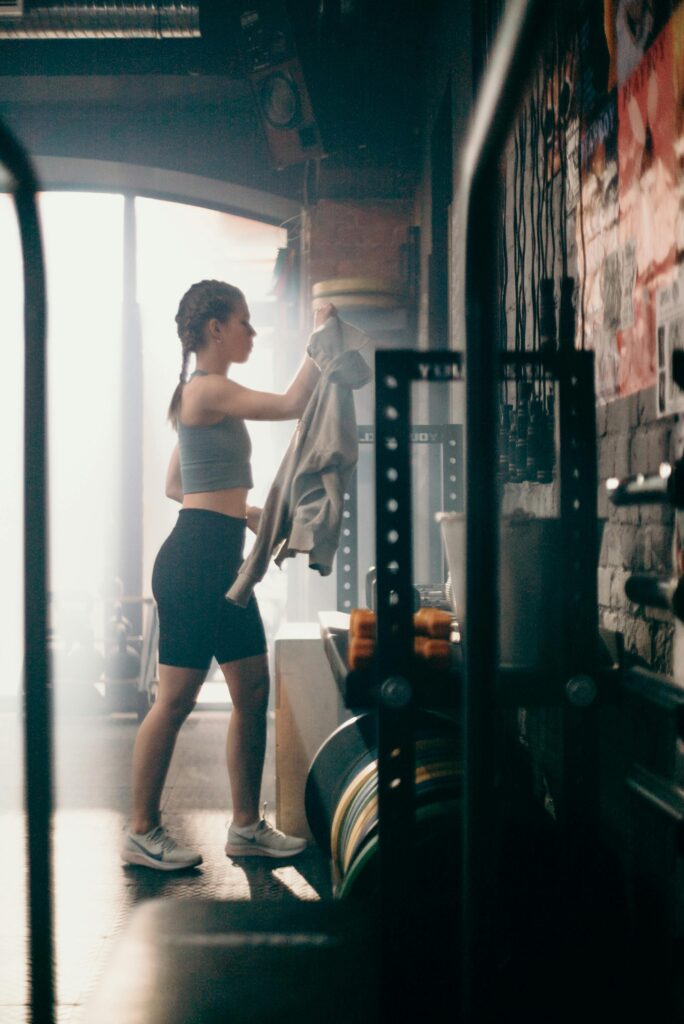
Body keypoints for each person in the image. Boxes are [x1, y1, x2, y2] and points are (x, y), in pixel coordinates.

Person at [121, 279, 335, 870]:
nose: (251, 330)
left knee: (253, 691)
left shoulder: (197, 396)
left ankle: (244, 827)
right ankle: (141, 831)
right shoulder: (206, 389)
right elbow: (294, 403)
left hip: (221, 562)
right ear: (216, 328)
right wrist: (324, 335)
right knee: (175, 701)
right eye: (243, 321)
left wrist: (240, 511)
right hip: (194, 564)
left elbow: (174, 483)